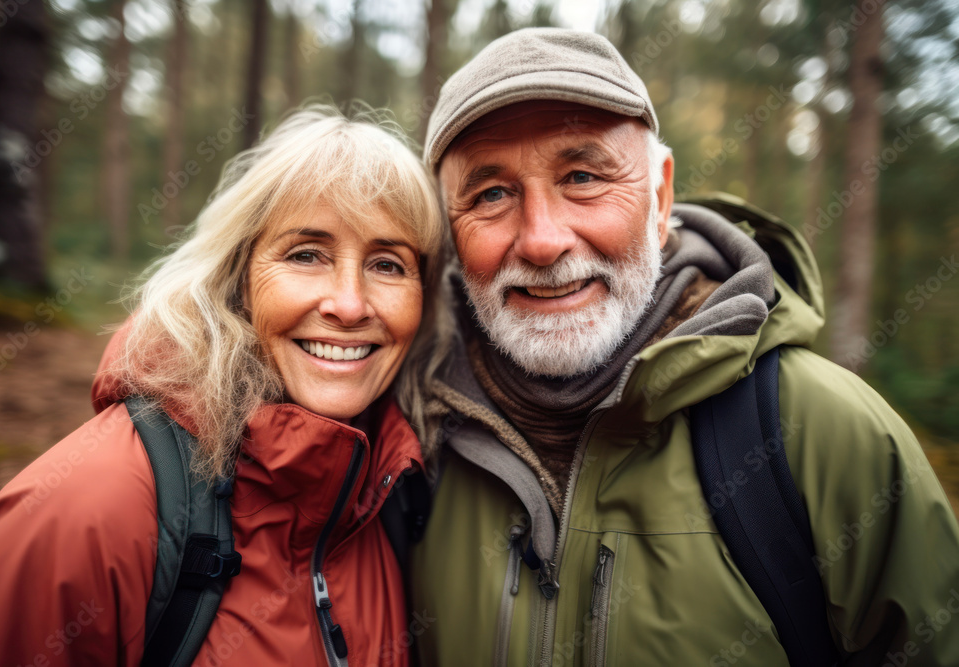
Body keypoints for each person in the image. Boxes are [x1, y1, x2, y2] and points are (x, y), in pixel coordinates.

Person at [408, 28, 959, 666]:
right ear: (448, 232)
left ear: (660, 196)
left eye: (583, 176)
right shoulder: (407, 442)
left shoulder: (825, 433)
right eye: (491, 194)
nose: (541, 240)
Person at [0, 104, 447, 666]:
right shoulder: (92, 508)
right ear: (237, 279)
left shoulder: (394, 490)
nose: (349, 304)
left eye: (388, 265)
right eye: (306, 255)